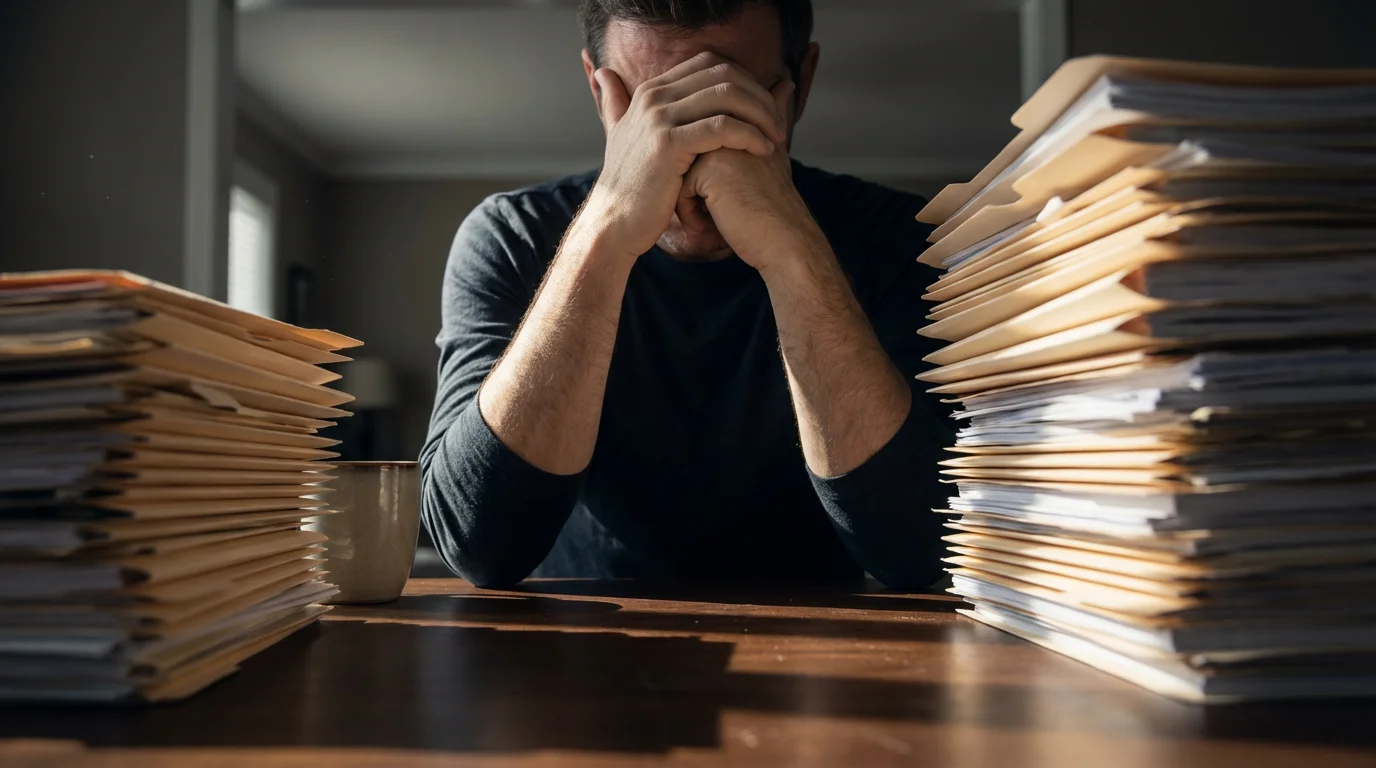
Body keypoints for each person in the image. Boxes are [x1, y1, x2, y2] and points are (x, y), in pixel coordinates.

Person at [420, 0, 950, 590]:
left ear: (799, 87)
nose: (684, 150)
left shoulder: (901, 240)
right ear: (600, 92)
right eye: (652, 113)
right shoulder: (510, 237)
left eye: (728, 107)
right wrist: (605, 234)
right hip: (574, 651)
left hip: (847, 658)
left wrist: (791, 250)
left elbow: (924, 550)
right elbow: (478, 545)